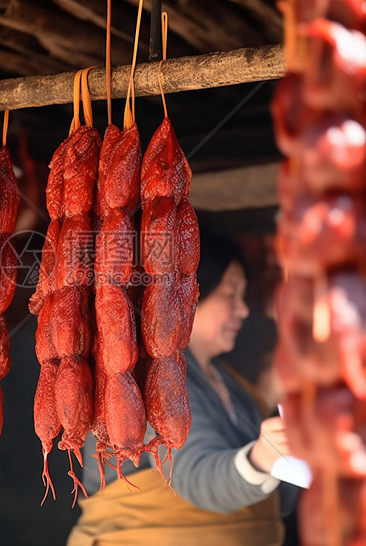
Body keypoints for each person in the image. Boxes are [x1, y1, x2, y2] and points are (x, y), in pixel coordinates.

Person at [68, 234, 300, 546]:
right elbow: (194, 477)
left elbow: (274, 501)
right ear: (185, 293)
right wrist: (260, 459)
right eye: (231, 294)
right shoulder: (147, 377)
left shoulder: (233, 386)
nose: (243, 310)